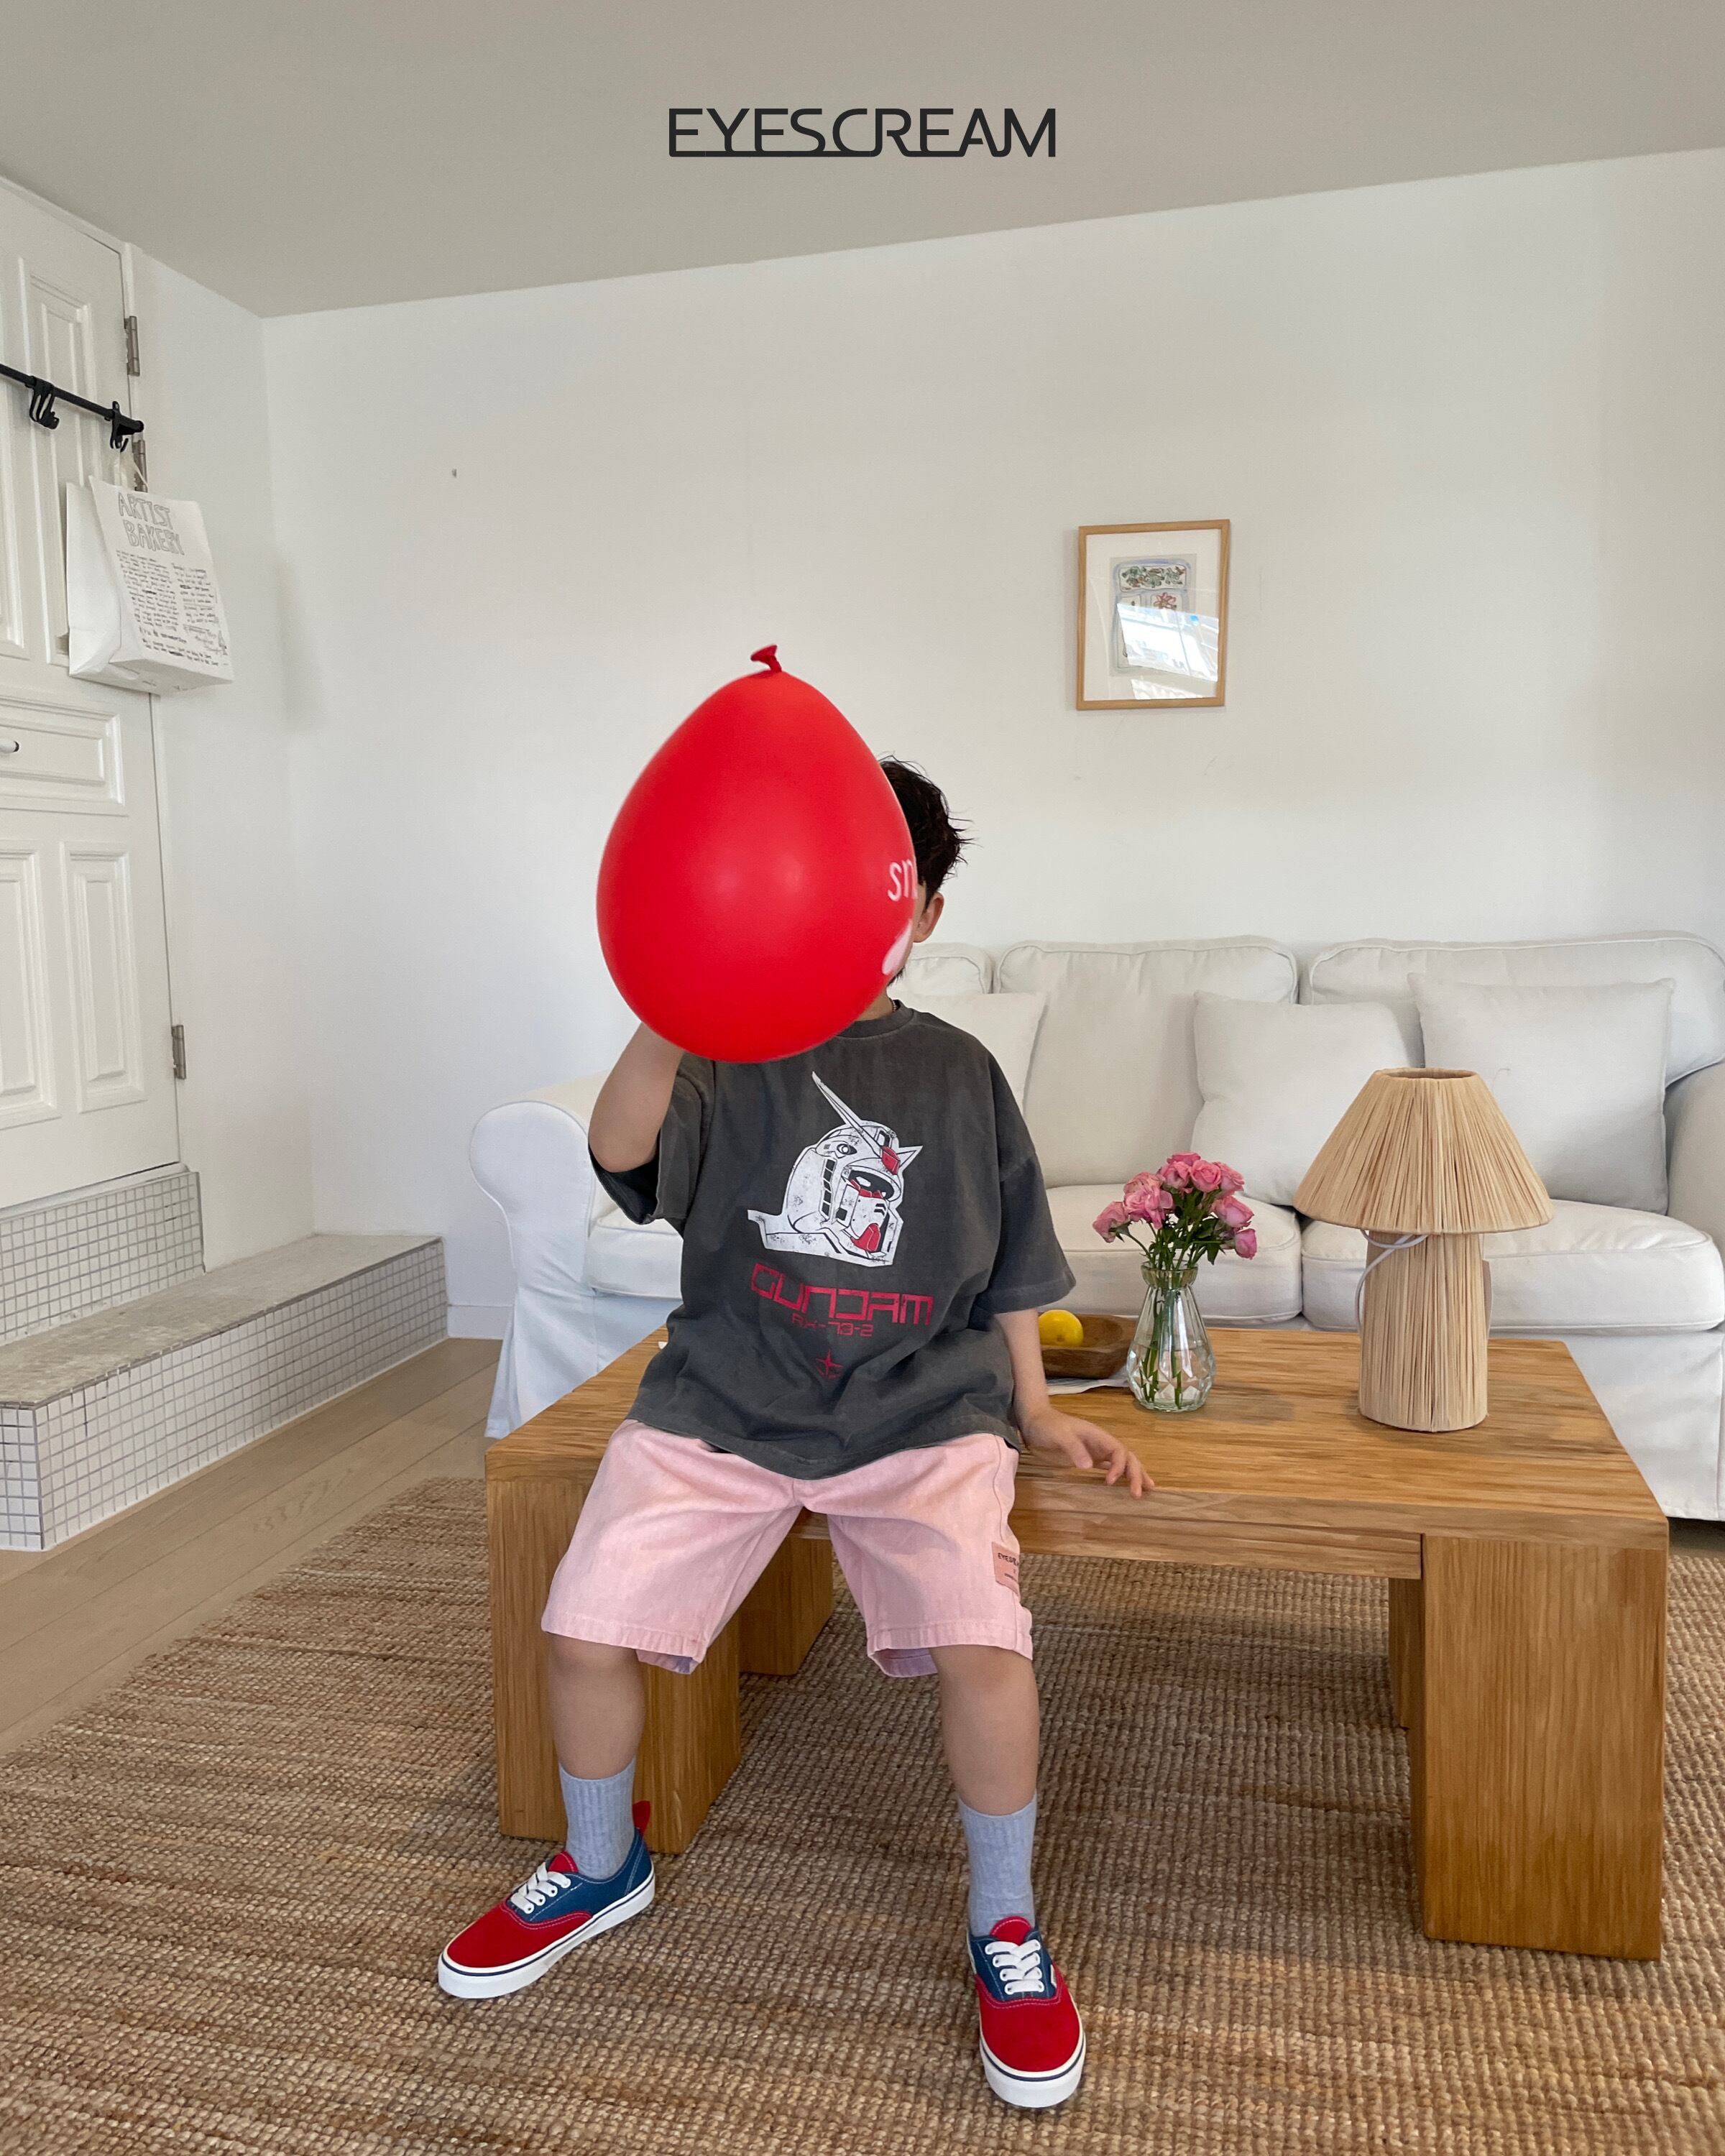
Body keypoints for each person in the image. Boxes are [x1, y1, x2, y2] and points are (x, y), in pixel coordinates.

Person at [437, 759, 1147, 2109]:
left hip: (924, 1414)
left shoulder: (959, 1071)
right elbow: (623, 1155)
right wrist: (669, 1006)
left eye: (886, 893)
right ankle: (599, 1863)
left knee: (985, 1644)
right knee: (581, 1624)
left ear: (923, 914)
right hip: (723, 1402)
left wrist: (1040, 1409)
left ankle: (1005, 1921)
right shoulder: (723, 1044)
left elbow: (1012, 1266)